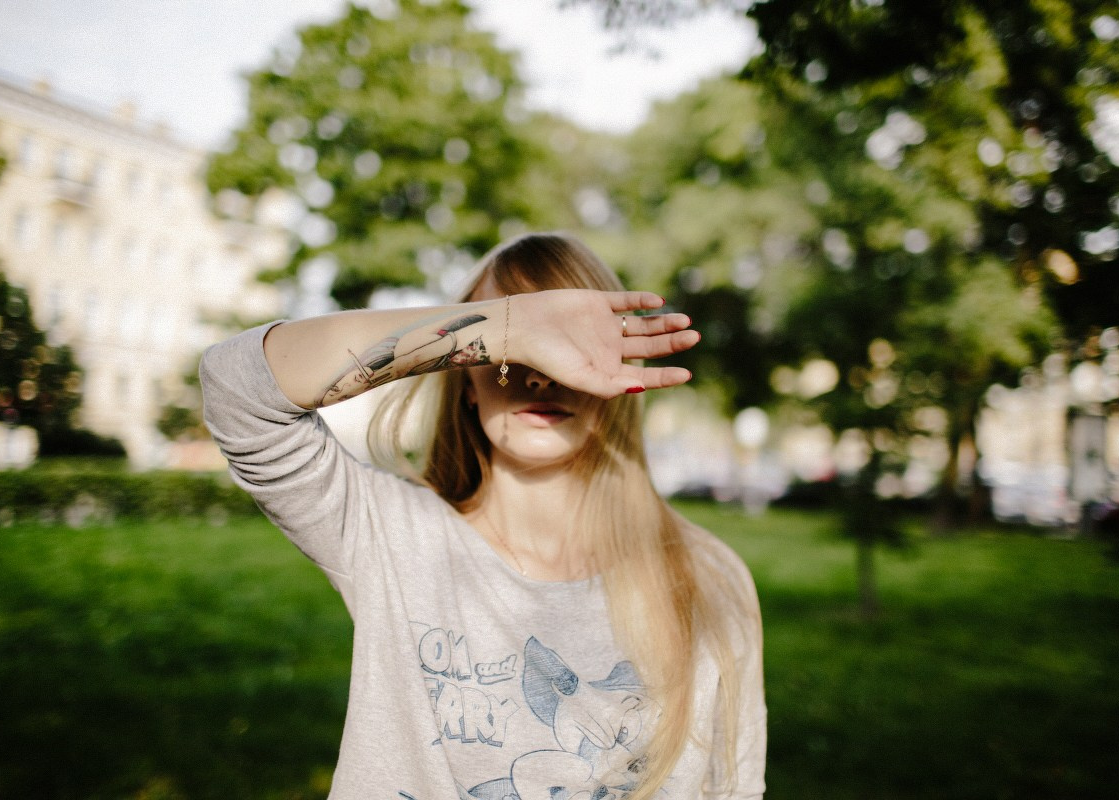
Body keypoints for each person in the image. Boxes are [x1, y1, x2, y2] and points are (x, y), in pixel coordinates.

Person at [200, 233, 766, 799]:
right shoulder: (392, 533)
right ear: (467, 378)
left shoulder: (708, 575)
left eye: (571, 345)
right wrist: (503, 327)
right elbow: (236, 386)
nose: (541, 376)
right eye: (512, 355)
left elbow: (736, 787)